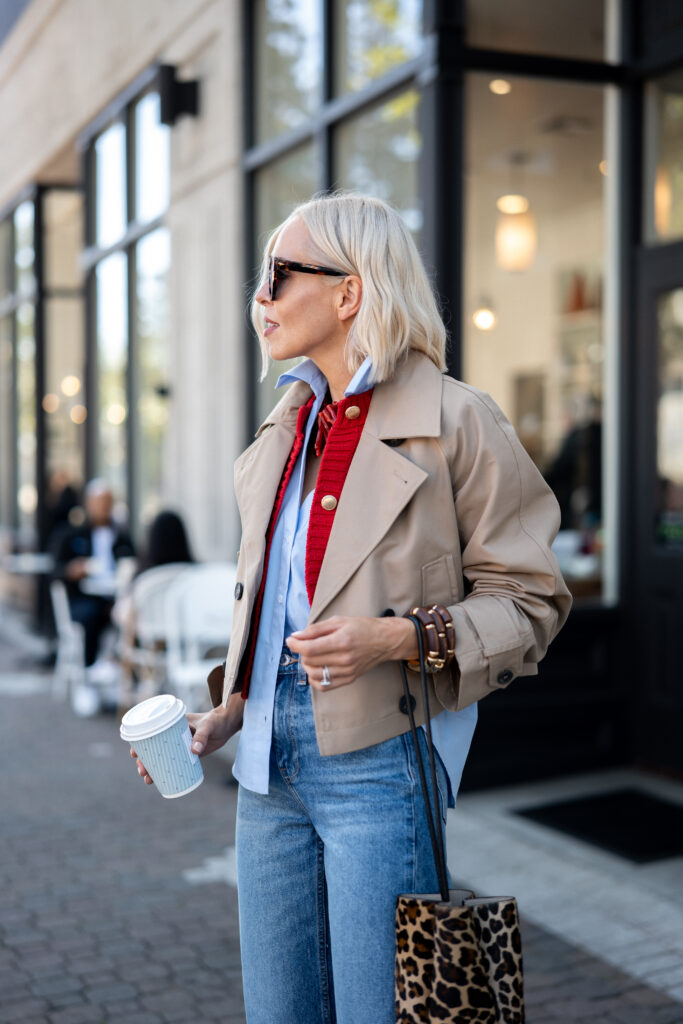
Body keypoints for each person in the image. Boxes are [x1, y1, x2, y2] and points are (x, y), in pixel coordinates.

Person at [132, 193, 571, 1023]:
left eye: (277, 274)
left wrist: (400, 639)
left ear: (348, 292)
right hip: (263, 772)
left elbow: (533, 601)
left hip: (379, 764)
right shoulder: (283, 431)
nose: (259, 297)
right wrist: (230, 707)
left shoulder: (456, 419)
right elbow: (277, 605)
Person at [52, 479, 135, 665]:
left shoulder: (122, 536)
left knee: (133, 615)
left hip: (115, 596)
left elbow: (131, 563)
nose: (104, 508)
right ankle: (89, 671)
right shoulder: (72, 535)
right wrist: (71, 570)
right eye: (99, 503)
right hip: (84, 598)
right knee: (92, 614)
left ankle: (124, 672)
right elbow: (56, 571)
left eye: (107, 503)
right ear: (89, 504)